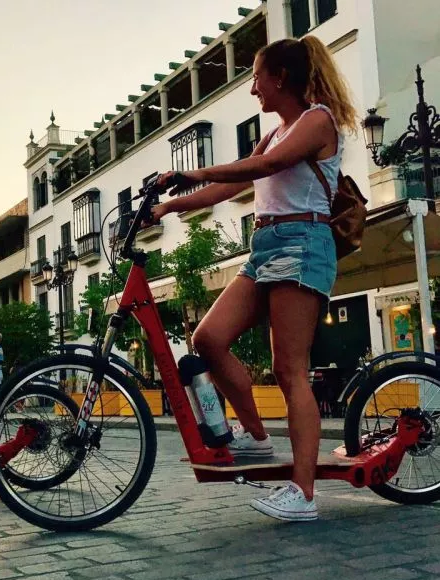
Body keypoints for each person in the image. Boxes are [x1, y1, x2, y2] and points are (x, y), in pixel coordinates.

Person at [151, 36, 357, 522]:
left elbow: (267, 167)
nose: (252, 90)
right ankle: (259, 440)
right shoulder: (275, 132)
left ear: (279, 78)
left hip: (303, 243)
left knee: (290, 370)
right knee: (208, 338)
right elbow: (235, 185)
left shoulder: (317, 120)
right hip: (264, 246)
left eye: (256, 78)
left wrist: (191, 171)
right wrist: (170, 205)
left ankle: (303, 494)